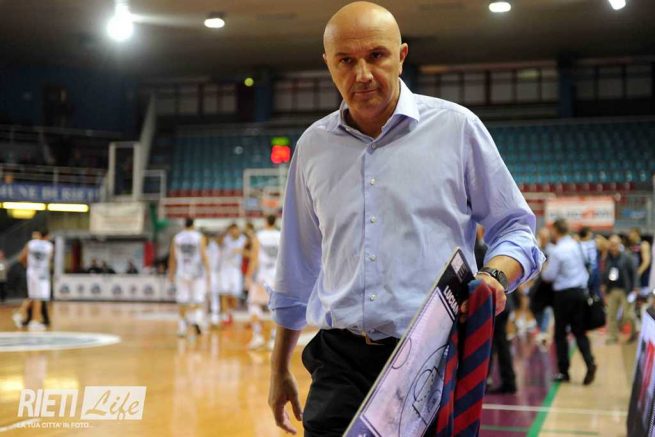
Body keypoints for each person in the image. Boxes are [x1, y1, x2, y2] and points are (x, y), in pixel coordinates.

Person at [267, 3, 544, 435]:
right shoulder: (312, 147)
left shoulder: (456, 129)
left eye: (376, 55)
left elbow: (516, 228)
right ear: (328, 64)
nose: (362, 74)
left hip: (433, 356)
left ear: (401, 56)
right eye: (345, 60)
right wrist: (279, 367)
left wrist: (493, 276)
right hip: (339, 362)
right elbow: (296, 266)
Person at [541, 218, 596, 385]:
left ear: (556, 230)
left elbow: (549, 276)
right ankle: (590, 362)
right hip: (580, 292)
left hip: (563, 295)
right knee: (580, 331)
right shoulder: (577, 245)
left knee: (560, 334)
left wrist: (543, 268)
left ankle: (564, 371)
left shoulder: (558, 251)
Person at [168, 218, 210, 337]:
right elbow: (203, 255)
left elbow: (172, 257)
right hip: (197, 272)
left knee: (182, 300)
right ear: (193, 225)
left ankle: (182, 327)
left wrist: (171, 273)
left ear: (184, 225)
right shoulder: (199, 237)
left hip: (181, 272)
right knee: (198, 299)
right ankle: (197, 320)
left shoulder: (177, 238)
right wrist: (208, 272)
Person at [246, 215, 281, 350]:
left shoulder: (259, 236)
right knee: (275, 309)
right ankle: (273, 339)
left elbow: (254, 258)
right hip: (277, 277)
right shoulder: (281, 235)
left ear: (265, 221)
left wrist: (248, 276)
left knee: (254, 304)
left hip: (262, 277)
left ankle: (257, 336)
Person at [13, 230, 54, 331]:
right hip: (42, 274)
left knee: (32, 296)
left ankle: (19, 314)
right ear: (47, 236)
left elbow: (21, 258)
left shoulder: (31, 243)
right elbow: (48, 260)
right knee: (39, 298)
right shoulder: (49, 246)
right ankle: (35, 322)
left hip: (31, 273)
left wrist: (29, 266)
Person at [602, 234, 637, 344]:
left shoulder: (627, 257)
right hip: (613, 289)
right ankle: (613, 336)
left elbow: (634, 273)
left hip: (626, 290)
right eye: (611, 245)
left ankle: (633, 333)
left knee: (628, 315)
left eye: (615, 245)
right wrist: (603, 284)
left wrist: (636, 287)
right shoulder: (608, 257)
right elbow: (605, 272)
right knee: (611, 314)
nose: (613, 247)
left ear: (619, 244)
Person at [218, 223, 246, 325]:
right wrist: (224, 232)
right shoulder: (225, 239)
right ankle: (225, 316)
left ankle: (230, 312)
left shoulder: (243, 239)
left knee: (234, 295)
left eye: (236, 230)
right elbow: (218, 242)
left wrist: (242, 251)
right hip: (224, 269)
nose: (234, 232)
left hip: (235, 270)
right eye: (232, 230)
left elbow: (250, 250)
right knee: (224, 293)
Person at [207, 232, 223, 327]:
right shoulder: (211, 247)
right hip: (209, 273)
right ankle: (211, 318)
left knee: (214, 295)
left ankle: (215, 318)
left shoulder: (216, 247)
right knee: (209, 296)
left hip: (214, 273)